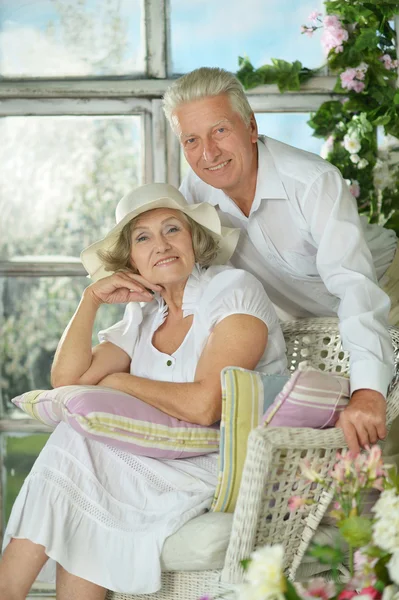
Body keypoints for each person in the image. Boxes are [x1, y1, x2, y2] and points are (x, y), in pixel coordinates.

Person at [0, 183, 287, 599]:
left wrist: (118, 381)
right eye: (143, 237)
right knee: (78, 450)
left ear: (194, 239)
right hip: (156, 455)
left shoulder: (233, 291)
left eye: (173, 229)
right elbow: (67, 379)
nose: (161, 245)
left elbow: (207, 405)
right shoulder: (144, 314)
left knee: (77, 447)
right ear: (131, 260)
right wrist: (90, 300)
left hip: (221, 463)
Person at [162, 66, 399, 457]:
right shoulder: (194, 196)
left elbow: (355, 287)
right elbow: (189, 280)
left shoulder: (311, 182)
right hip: (315, 324)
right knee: (346, 459)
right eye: (191, 140)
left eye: (220, 130)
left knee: (385, 440)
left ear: (251, 126)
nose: (209, 153)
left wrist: (369, 391)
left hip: (385, 288)